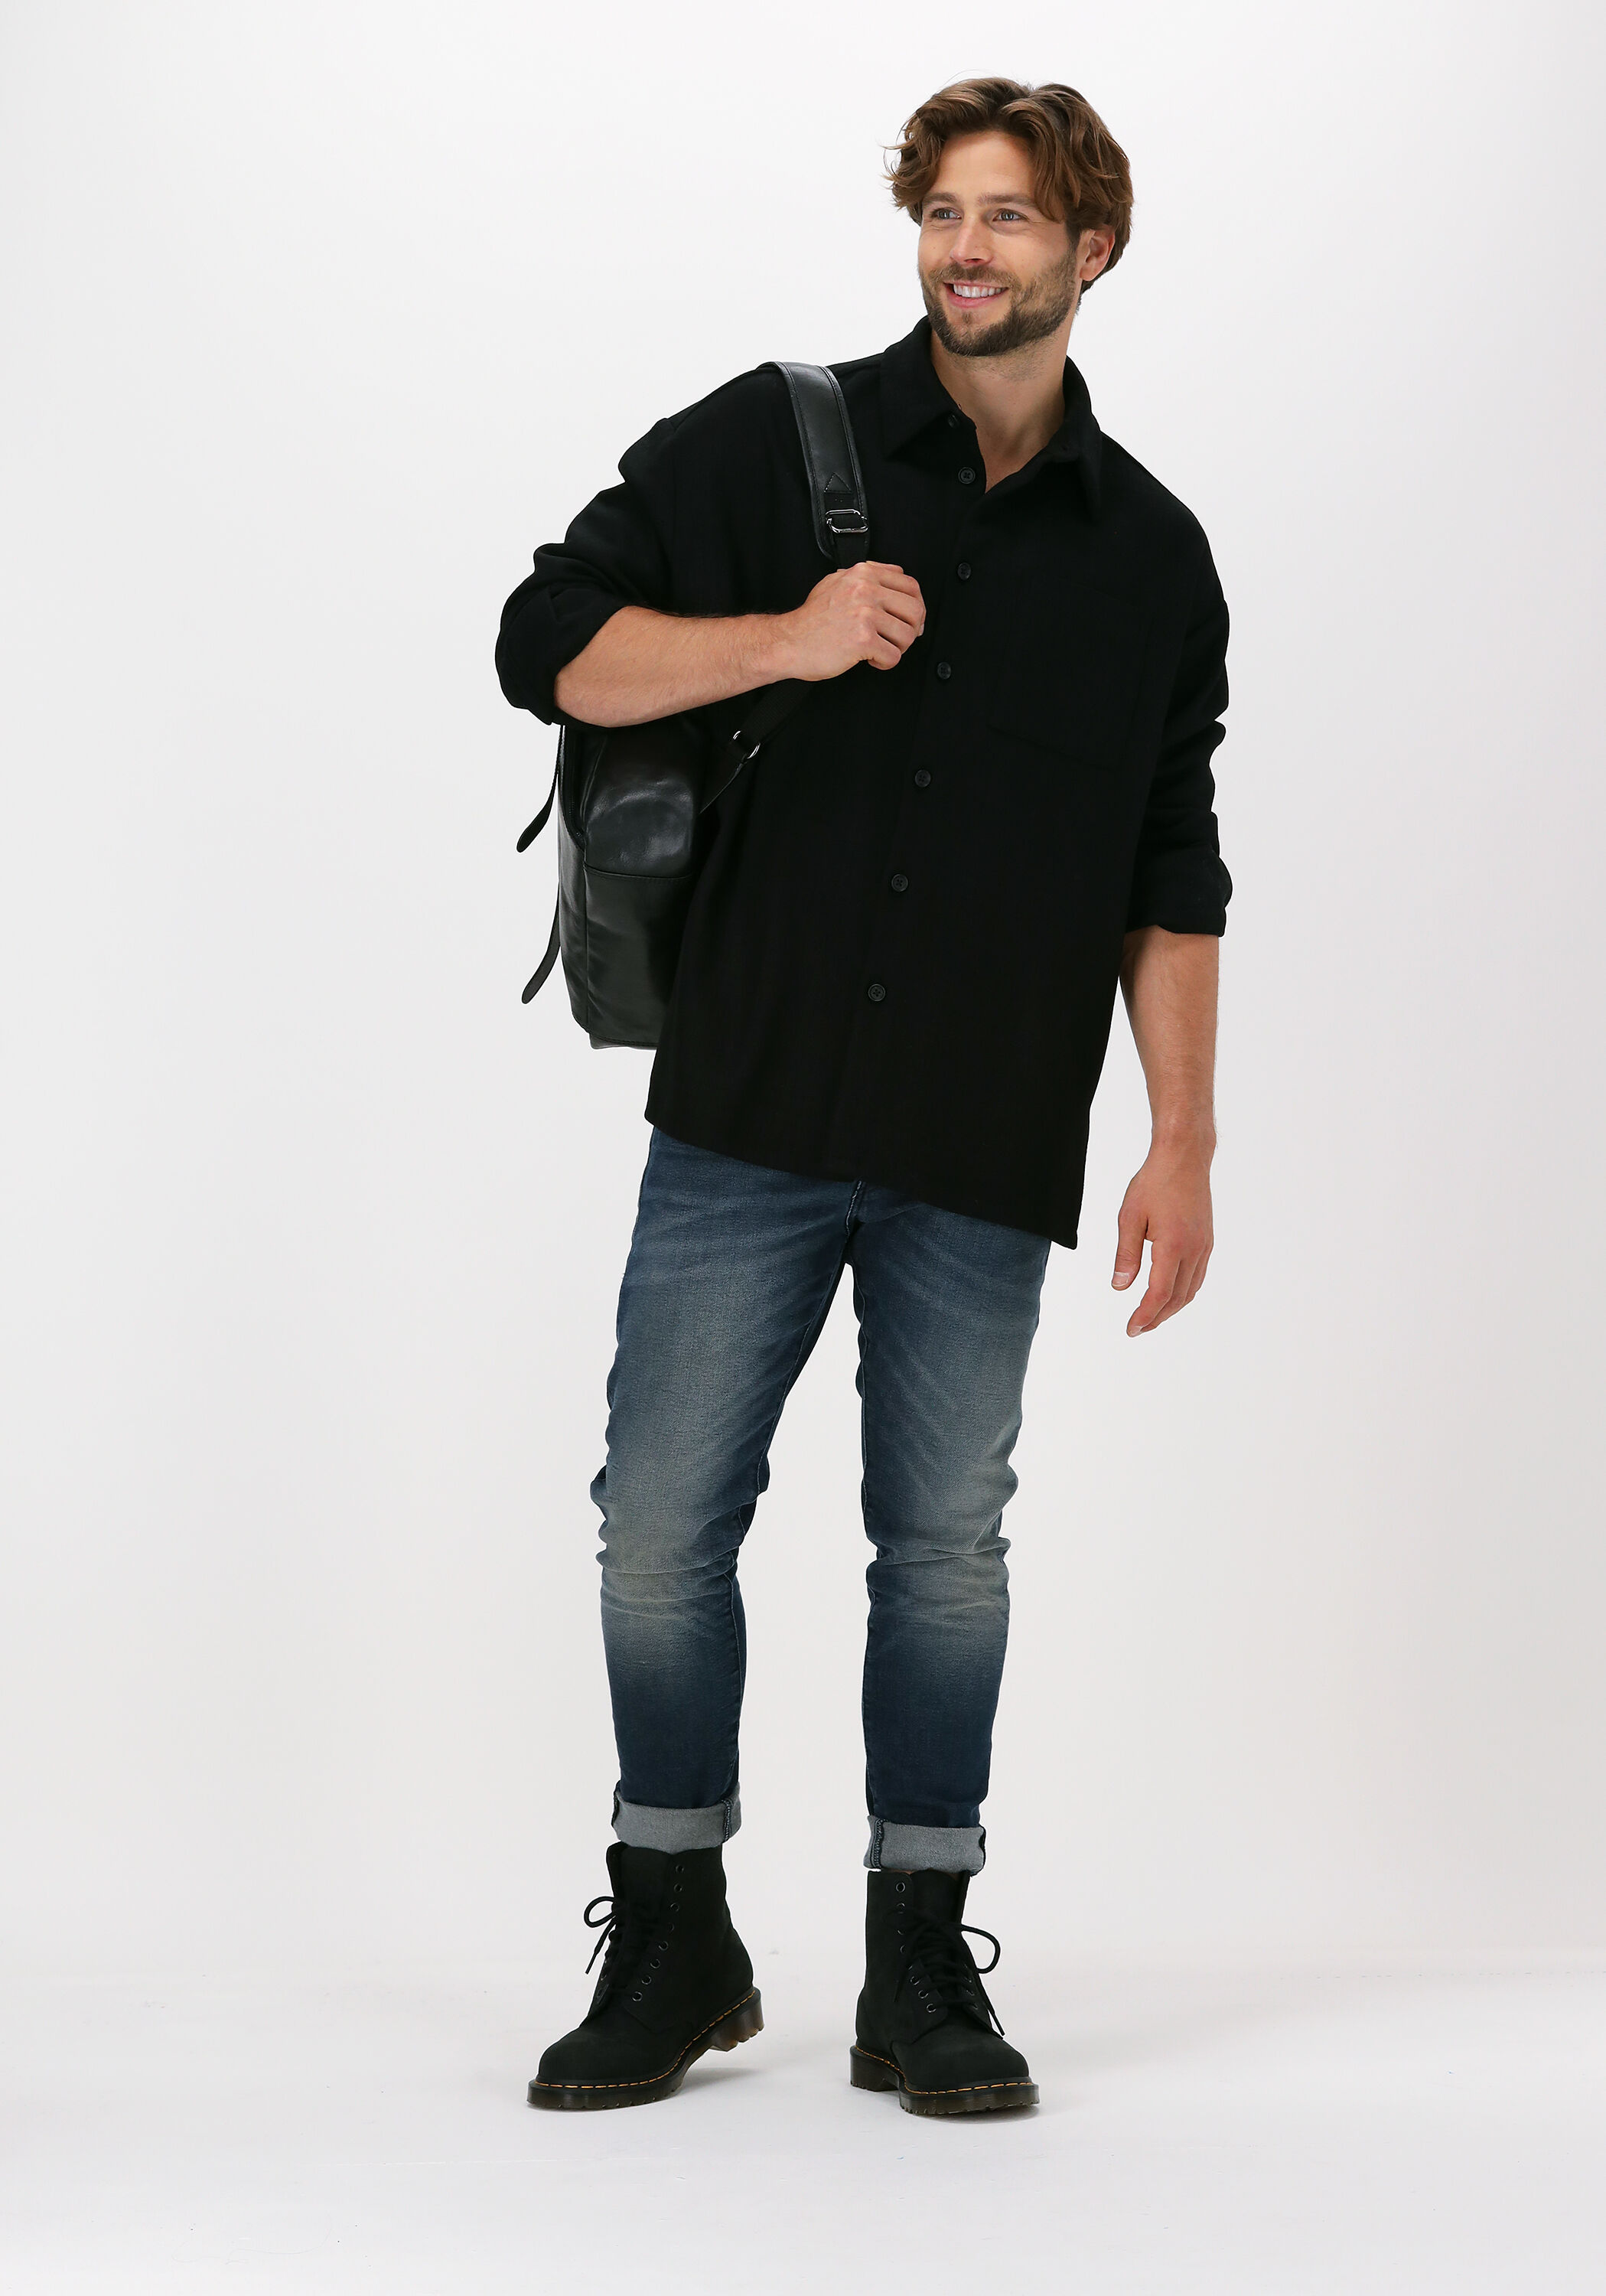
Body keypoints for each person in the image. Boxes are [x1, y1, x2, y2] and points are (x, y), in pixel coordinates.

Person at [495, 76, 1230, 2118]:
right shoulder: (778, 440)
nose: (965, 249)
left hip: (983, 1134)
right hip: (749, 1103)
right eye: (944, 212)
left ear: (1091, 252)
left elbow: (1171, 866)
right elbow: (546, 645)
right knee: (659, 1530)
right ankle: (674, 1932)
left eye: (1012, 218)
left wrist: (1180, 1138)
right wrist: (786, 639)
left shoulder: (1152, 558)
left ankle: (920, 1963)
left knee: (946, 1550)